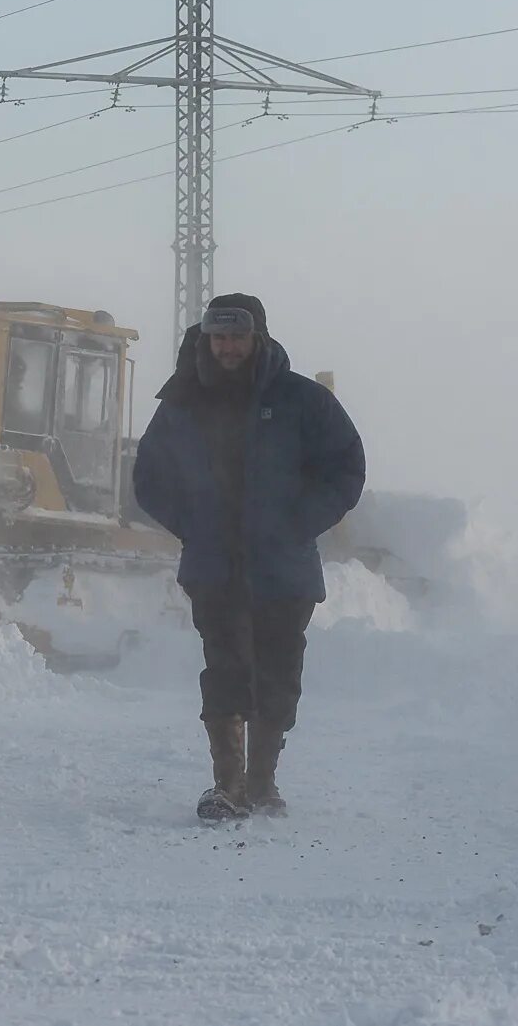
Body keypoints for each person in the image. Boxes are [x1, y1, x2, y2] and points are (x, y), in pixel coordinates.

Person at [132, 294, 365, 820]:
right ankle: (229, 787)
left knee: (278, 673)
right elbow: (148, 478)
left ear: (257, 338)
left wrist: (300, 523)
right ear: (206, 339)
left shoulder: (302, 400)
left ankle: (263, 782)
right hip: (215, 567)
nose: (227, 347)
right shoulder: (183, 403)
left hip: (284, 570)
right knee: (224, 670)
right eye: (218, 337)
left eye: (237, 337)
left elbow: (347, 467)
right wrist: (193, 527)